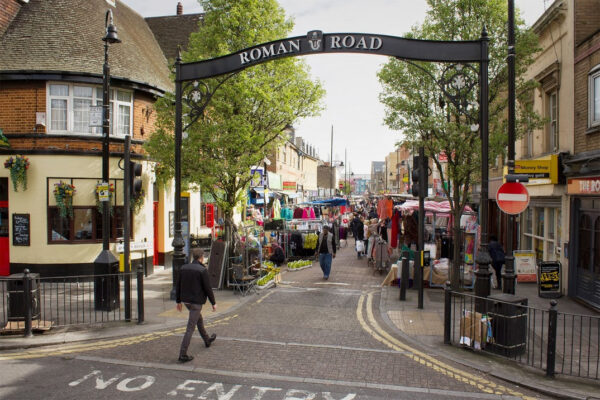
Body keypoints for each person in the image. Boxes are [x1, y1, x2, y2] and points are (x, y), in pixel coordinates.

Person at [176, 248, 217, 363]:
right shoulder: (202, 270)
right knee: (190, 328)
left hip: (186, 301)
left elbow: (178, 285)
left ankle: (207, 339)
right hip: (196, 303)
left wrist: (178, 301)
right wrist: (213, 303)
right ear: (201, 257)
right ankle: (182, 354)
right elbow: (208, 288)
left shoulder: (184, 268)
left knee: (199, 320)